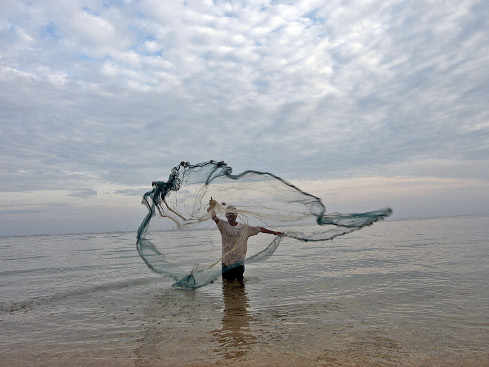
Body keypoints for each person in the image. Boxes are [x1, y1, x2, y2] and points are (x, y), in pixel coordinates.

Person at [207, 198, 282, 284]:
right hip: (226, 263)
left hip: (239, 263)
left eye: (232, 215)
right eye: (228, 215)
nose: (230, 217)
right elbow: (214, 217)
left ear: (236, 216)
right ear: (226, 216)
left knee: (240, 287)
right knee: (227, 286)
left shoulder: (245, 228)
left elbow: (260, 229)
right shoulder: (223, 225)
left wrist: (274, 233)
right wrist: (212, 206)